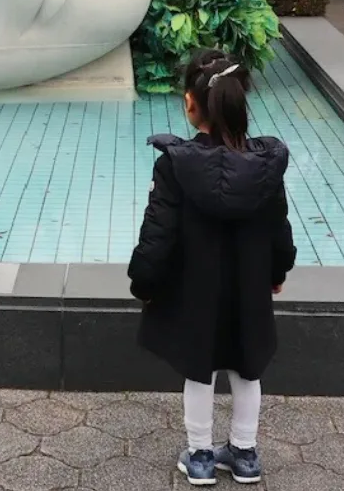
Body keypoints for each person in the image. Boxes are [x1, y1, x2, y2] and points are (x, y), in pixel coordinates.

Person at [127, 49, 296, 486]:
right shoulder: (266, 166)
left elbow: (157, 234)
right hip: (249, 291)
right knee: (248, 368)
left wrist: (144, 282)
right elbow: (279, 227)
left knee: (199, 371)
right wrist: (278, 271)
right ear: (241, 102)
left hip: (195, 293)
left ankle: (200, 455)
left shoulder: (175, 165)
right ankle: (244, 453)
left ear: (189, 103)